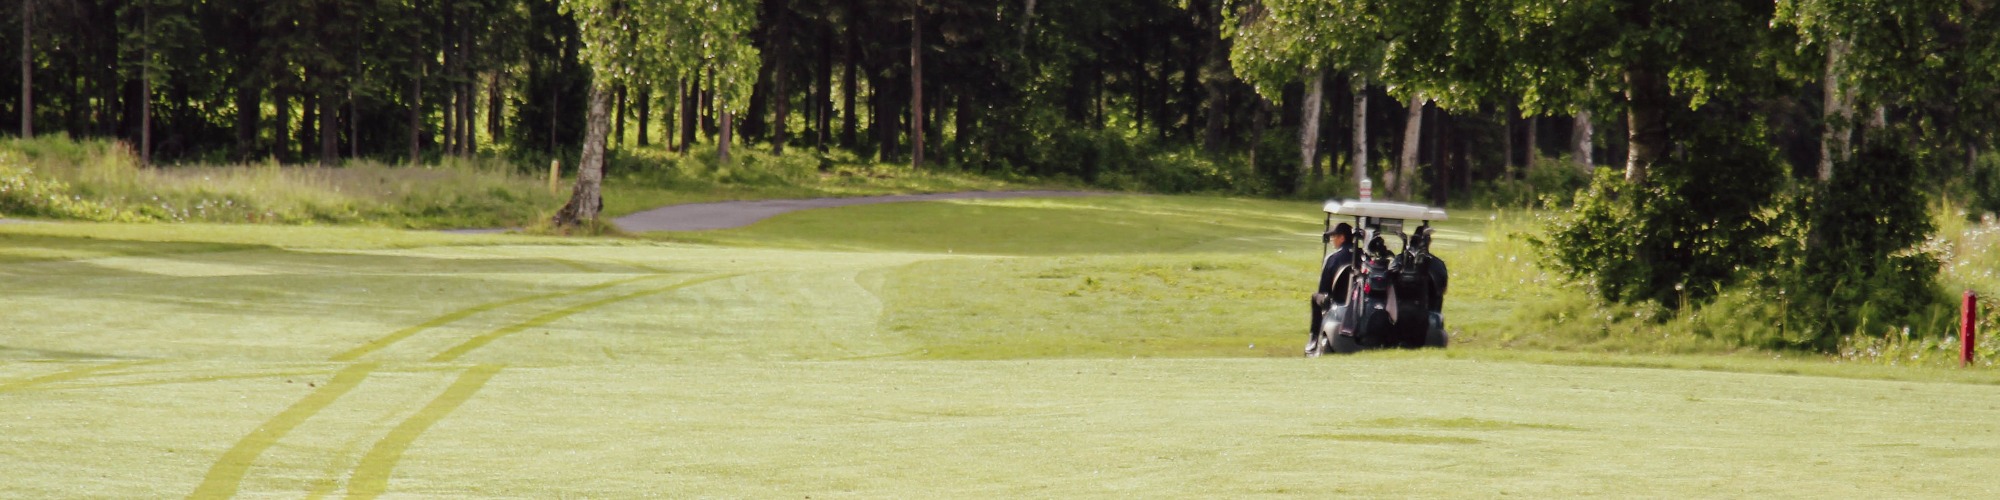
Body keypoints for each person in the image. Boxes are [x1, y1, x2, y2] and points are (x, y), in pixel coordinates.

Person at [1307, 222, 1356, 355]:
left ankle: (1313, 339)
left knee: (1315, 297)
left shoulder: (1333, 259)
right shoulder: (1363, 257)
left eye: (1334, 236)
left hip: (1337, 302)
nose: (1332, 240)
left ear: (1342, 238)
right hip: (1357, 300)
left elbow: (1324, 290)